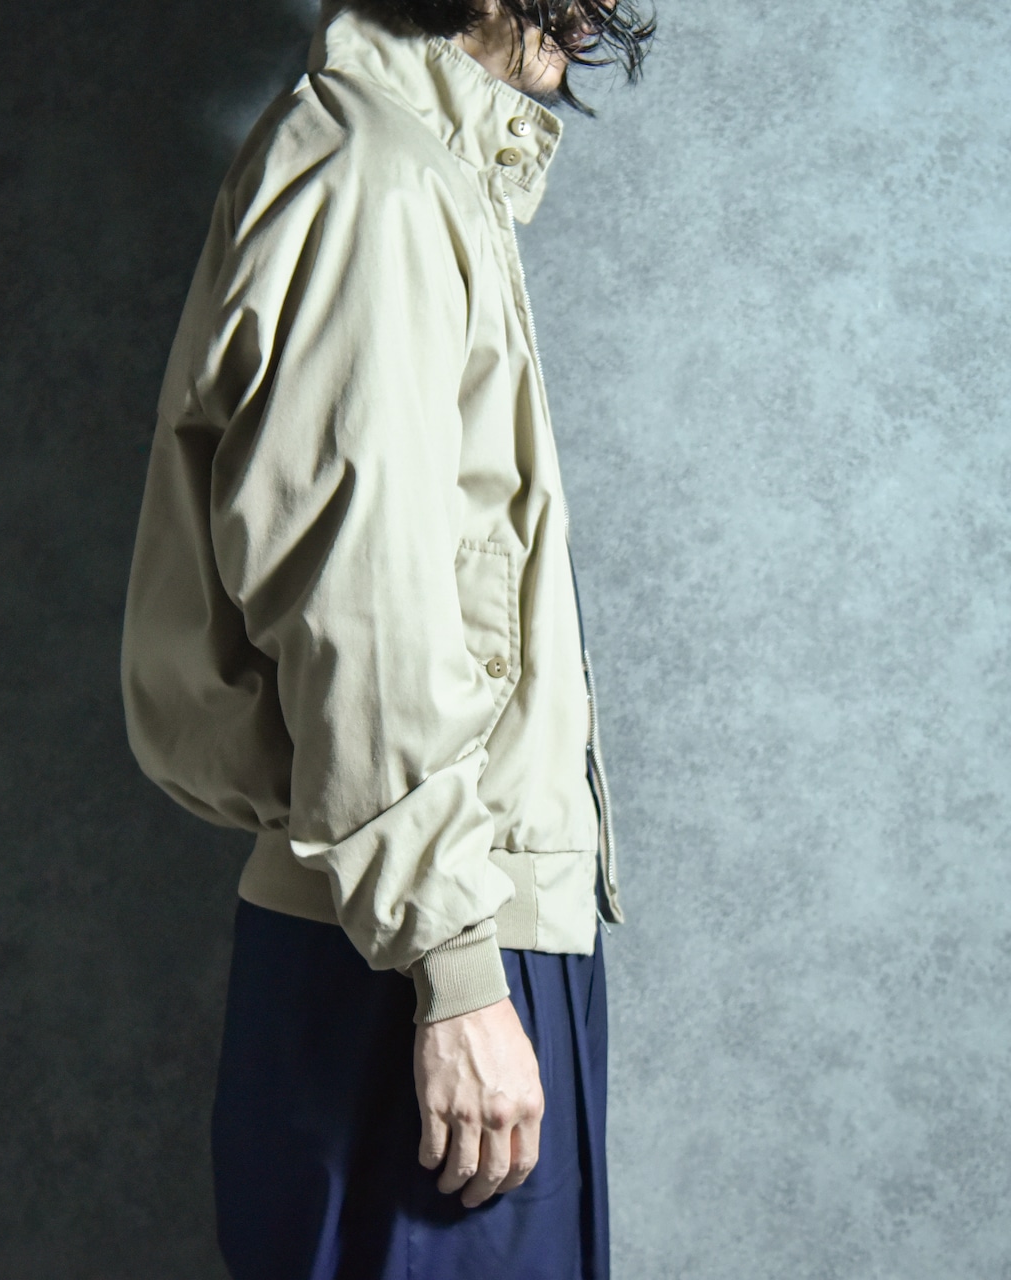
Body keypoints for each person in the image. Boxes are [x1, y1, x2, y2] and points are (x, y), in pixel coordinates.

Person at [121, 1, 653, 1275]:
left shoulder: (416, 170)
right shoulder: (374, 179)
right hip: (414, 949)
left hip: (432, 916)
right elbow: (355, 597)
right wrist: (456, 971)